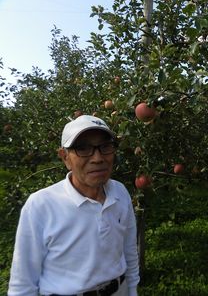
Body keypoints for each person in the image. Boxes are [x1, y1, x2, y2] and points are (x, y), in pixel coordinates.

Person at [8, 115, 140, 296]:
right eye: (83, 148)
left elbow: (129, 251)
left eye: (105, 147)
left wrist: (132, 290)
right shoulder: (41, 205)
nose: (97, 158)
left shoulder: (120, 192)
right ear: (65, 157)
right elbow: (22, 283)